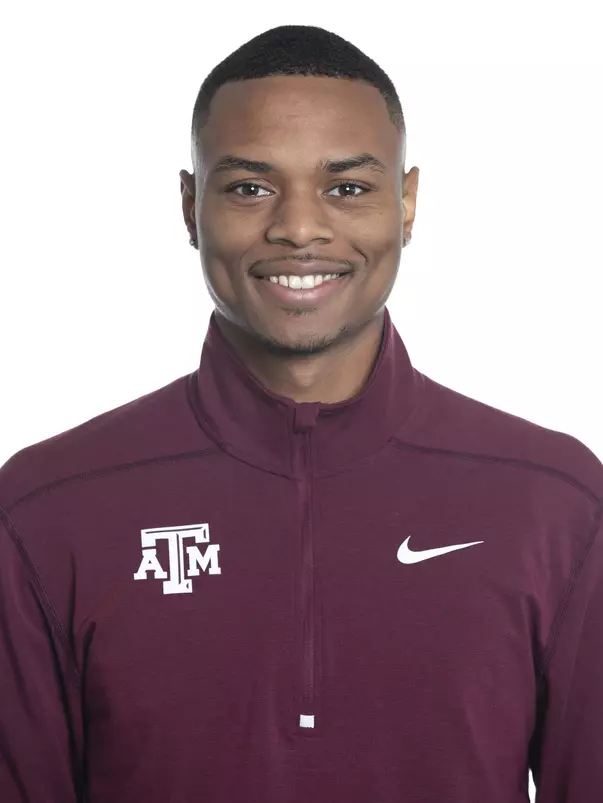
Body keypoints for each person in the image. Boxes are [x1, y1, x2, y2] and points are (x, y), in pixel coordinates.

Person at [0, 23, 601, 803]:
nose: (297, 227)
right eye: (250, 186)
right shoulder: (49, 506)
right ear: (190, 206)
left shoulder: (551, 498)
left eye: (346, 187)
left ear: (406, 202)